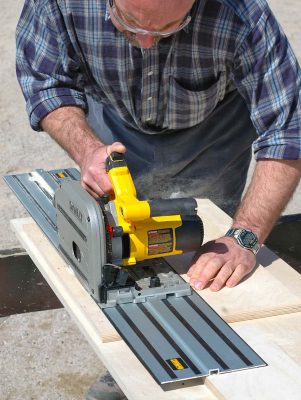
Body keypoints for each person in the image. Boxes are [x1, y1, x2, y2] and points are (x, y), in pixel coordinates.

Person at [16, 0, 301, 294]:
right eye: (128, 22)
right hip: (115, 120)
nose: (147, 42)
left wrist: (245, 236)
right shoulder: (58, 4)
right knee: (113, 243)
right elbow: (46, 82)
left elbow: (289, 128)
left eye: (169, 28)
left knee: (208, 265)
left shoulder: (242, 13)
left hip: (214, 135)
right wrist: (87, 149)